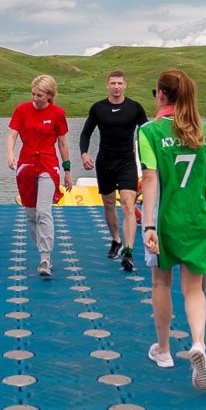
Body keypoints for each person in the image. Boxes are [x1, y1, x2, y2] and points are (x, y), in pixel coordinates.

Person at [137, 69, 206, 388]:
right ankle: (198, 343)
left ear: (160, 94)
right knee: (194, 288)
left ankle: (164, 349)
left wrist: (148, 225)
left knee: (161, 282)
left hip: (165, 218)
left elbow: (150, 177)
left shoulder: (149, 132)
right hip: (199, 218)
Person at [78, 70, 148, 272]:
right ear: (107, 85)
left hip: (127, 162)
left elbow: (146, 133)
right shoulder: (98, 108)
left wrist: (147, 161)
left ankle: (128, 251)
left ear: (125, 85)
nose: (116, 86)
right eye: (113, 83)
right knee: (109, 205)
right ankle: (116, 239)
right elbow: (86, 133)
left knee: (128, 205)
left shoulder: (135, 108)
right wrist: (84, 154)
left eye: (120, 83)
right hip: (105, 162)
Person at [7, 74, 72, 277]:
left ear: (50, 95)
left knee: (44, 211)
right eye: (34, 94)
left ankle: (45, 258)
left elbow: (62, 143)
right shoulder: (22, 110)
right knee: (31, 214)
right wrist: (10, 153)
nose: (36, 98)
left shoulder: (57, 113)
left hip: (47, 164)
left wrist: (67, 170)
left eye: (40, 95)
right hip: (26, 164)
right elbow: (13, 134)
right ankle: (42, 249)